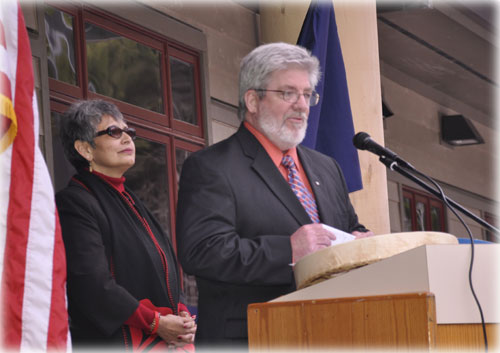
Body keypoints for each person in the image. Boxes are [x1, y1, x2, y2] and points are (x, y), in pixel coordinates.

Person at [175, 42, 373, 347]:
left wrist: (361, 242)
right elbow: (202, 251)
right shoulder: (212, 167)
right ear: (252, 100)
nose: (302, 105)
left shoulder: (326, 167)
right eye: (288, 93)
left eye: (307, 95)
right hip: (251, 338)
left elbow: (348, 226)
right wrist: (288, 251)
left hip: (332, 332)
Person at [56, 99, 196, 350]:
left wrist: (182, 312)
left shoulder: (129, 198)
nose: (127, 139)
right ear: (85, 149)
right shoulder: (75, 202)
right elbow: (91, 283)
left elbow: (164, 264)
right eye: (113, 132)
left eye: (128, 132)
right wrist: (156, 323)